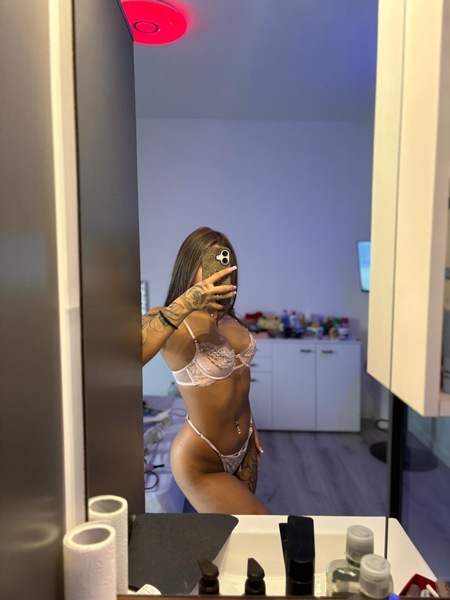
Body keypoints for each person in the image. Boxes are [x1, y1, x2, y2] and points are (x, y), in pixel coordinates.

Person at [142, 227, 269, 514]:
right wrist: (188, 302)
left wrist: (250, 425)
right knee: (263, 525)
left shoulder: (229, 319)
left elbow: (239, 381)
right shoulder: (167, 319)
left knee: (240, 535)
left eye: (226, 261)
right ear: (188, 266)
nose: (221, 271)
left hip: (246, 448)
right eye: (211, 262)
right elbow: (127, 356)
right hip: (201, 458)